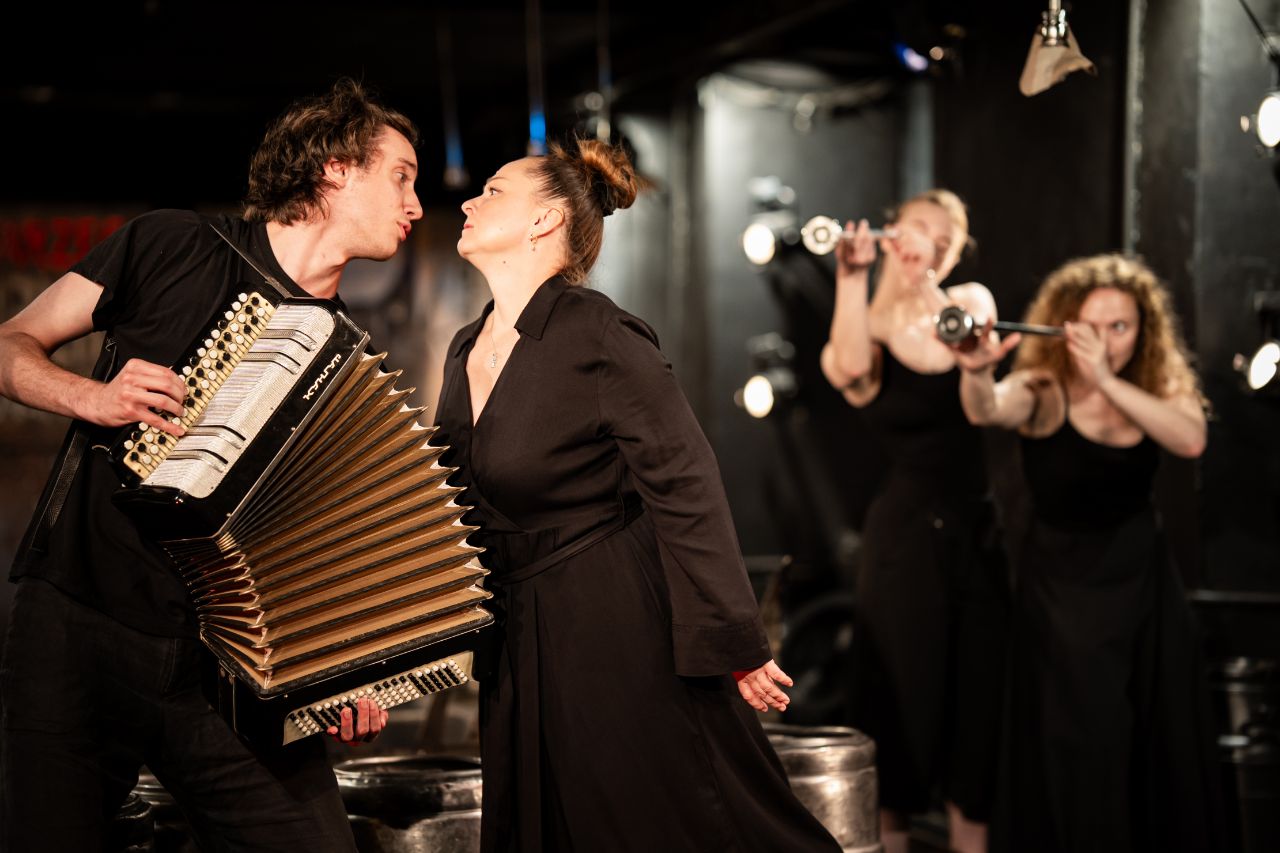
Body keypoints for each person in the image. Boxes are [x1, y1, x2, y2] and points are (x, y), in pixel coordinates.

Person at [0, 78, 421, 852]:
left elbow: (312, 542)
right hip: (79, 623)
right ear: (335, 168)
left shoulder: (347, 361)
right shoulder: (173, 243)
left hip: (225, 668)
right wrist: (92, 395)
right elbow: (9, 345)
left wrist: (346, 670)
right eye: (401, 176)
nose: (416, 204)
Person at [432, 136, 841, 852]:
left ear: (545, 220)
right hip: (517, 641)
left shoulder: (600, 333)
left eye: (493, 190)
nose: (469, 202)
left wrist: (732, 636)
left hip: (613, 629)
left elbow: (686, 483)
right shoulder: (467, 345)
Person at [951, 253, 1223, 852]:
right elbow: (987, 408)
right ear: (1065, 326)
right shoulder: (1044, 387)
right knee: (1073, 733)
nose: (1104, 340)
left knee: (1146, 735)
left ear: (1143, 330)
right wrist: (975, 370)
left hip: (1141, 584)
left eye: (1119, 326)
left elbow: (1191, 439)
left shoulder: (1153, 386)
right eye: (1091, 327)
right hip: (1060, 590)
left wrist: (1106, 381)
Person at [819, 190, 1008, 853]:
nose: (928, 241)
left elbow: (961, 336)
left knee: (977, 725)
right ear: (890, 230)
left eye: (944, 239)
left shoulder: (968, 299)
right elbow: (849, 370)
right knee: (897, 718)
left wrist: (925, 277)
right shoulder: (866, 327)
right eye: (918, 227)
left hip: (975, 537)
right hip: (902, 543)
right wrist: (851, 277)